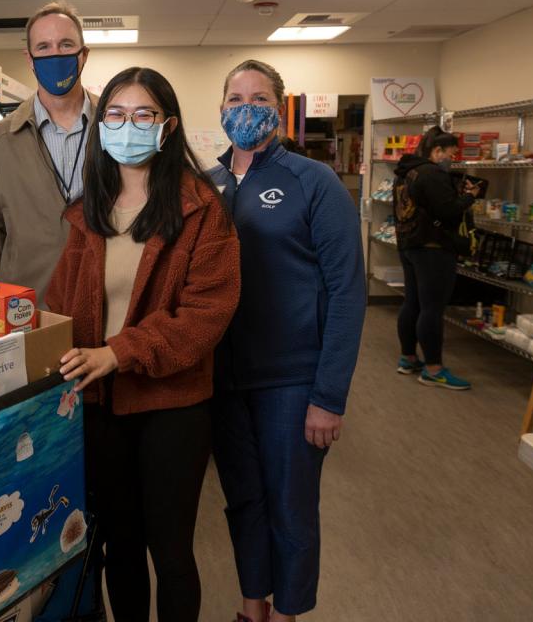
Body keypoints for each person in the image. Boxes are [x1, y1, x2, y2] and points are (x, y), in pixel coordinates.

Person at [47, 67, 241, 622]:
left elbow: (207, 314)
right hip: (99, 405)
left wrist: (119, 352)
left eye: (142, 115)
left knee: (172, 551)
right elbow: (61, 304)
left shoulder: (202, 209)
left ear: (168, 125)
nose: (125, 126)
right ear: (100, 123)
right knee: (118, 546)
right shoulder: (89, 211)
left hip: (172, 407)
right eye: (114, 114)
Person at [207, 60, 365, 622]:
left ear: (279, 106)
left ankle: (289, 614)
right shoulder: (209, 184)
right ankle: (253, 610)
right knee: (244, 502)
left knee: (291, 510)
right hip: (224, 381)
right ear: (221, 108)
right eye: (234, 97)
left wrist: (330, 396)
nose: (245, 106)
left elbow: (348, 292)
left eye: (258, 96)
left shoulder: (312, 181)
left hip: (293, 382)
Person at [0, 2, 95, 301]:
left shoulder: (115, 125)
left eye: (66, 44)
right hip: (30, 312)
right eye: (44, 47)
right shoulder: (1, 140)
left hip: (104, 309)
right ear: (29, 59)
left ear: (84, 55)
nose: (55, 54)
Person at [393, 127, 482, 390]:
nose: (451, 160)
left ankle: (408, 357)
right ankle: (434, 369)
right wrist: (469, 196)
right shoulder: (432, 174)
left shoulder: (406, 173)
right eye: (451, 155)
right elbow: (449, 212)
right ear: (437, 151)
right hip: (433, 247)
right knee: (432, 308)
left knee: (413, 303)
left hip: (409, 244)